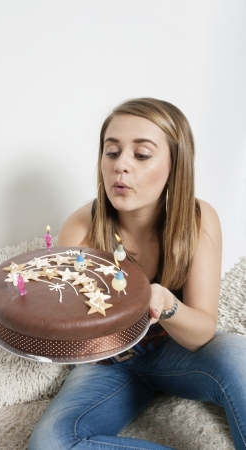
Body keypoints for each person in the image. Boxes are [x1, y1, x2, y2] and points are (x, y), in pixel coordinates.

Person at [28, 98, 246, 449]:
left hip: (177, 350)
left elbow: (201, 332)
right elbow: (65, 331)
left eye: (141, 155)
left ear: (176, 166)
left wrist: (164, 301)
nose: (121, 166)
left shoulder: (199, 219)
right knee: (52, 443)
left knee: (239, 355)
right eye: (112, 152)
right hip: (106, 366)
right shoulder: (81, 228)